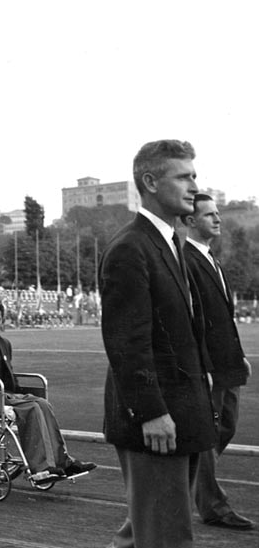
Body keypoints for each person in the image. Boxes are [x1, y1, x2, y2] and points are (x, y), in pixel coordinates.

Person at [100, 140, 216, 548]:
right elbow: (126, 341)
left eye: (194, 176)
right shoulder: (131, 247)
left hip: (181, 411)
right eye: (183, 176)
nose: (194, 186)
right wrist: (150, 412)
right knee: (166, 538)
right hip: (156, 420)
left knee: (144, 536)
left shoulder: (169, 242)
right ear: (150, 181)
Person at [0, 298, 96, 482]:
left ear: (2, 321)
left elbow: (8, 376)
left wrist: (23, 394)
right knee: (31, 409)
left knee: (43, 404)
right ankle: (41, 468)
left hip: (3, 394)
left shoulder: (4, 344)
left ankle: (63, 461)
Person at [181, 193, 254, 530]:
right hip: (209, 368)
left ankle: (182, 481)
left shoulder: (211, 259)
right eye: (209, 214)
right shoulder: (185, 261)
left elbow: (222, 315)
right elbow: (191, 321)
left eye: (217, 213)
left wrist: (237, 354)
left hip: (227, 363)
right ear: (190, 220)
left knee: (226, 427)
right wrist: (204, 366)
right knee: (208, 435)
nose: (218, 219)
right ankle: (213, 506)